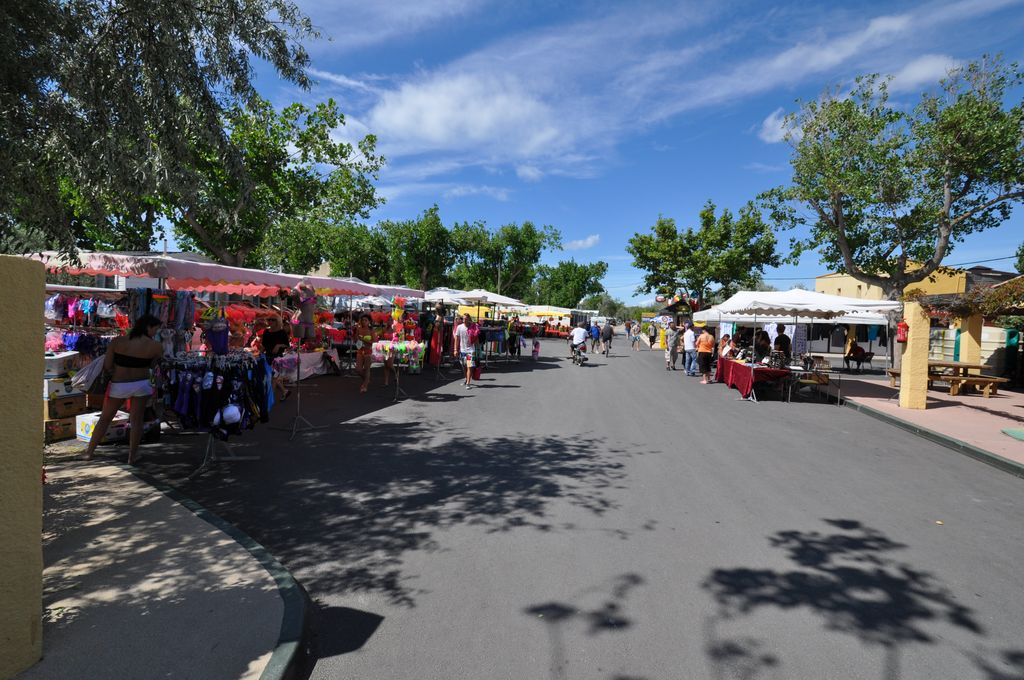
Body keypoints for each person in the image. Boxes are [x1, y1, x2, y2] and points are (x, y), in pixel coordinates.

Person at [82, 314, 164, 464]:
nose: (155, 333)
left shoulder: (117, 342)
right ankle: (132, 456)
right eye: (155, 329)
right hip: (142, 384)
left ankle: (89, 452)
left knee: (105, 418)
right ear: (148, 327)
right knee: (137, 421)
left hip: (119, 384)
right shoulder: (156, 346)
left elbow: (107, 366)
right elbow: (153, 366)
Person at [260, 315, 293, 401]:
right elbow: (264, 345)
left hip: (277, 358)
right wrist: (258, 353)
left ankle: (270, 398)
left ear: (277, 321)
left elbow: (287, 345)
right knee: (272, 377)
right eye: (269, 319)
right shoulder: (266, 331)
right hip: (267, 357)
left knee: (273, 378)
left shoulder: (282, 332)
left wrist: (278, 345)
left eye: (273, 320)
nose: (270, 321)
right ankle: (284, 391)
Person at [454, 313, 477, 388]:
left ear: (469, 319)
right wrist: (455, 350)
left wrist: (478, 348)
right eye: (463, 319)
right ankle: (466, 378)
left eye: (466, 319)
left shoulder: (473, 327)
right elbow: (457, 339)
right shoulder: (459, 327)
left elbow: (477, 338)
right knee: (464, 366)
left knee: (469, 366)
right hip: (462, 350)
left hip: (471, 350)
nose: (464, 320)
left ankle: (468, 383)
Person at [354, 313, 376, 393]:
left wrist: (364, 339)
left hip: (368, 352)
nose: (364, 322)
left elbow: (374, 342)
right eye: (362, 320)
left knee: (367, 369)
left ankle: (365, 385)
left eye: (365, 320)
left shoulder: (371, 330)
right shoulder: (359, 329)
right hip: (360, 351)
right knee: (358, 370)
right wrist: (356, 339)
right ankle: (366, 380)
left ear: (369, 321)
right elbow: (356, 340)